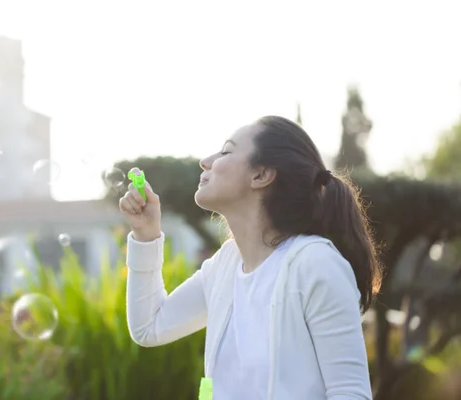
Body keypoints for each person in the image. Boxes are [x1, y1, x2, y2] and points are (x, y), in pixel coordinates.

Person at [119, 115, 381, 400]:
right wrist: (146, 236)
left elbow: (350, 394)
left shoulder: (314, 264)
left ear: (261, 175)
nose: (205, 161)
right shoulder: (225, 266)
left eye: (226, 151)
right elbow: (150, 327)